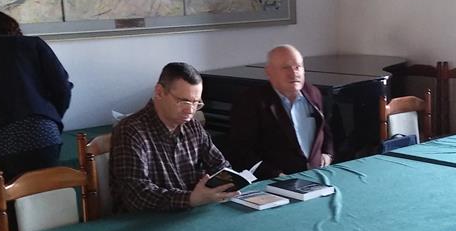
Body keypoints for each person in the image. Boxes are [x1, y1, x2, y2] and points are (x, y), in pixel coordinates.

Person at [0, 9, 73, 195]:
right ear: (11, 26)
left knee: (4, 207)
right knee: (42, 204)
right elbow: (62, 89)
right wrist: (48, 118)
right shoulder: (33, 46)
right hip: (39, 135)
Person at [110, 62, 236, 213]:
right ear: (159, 92)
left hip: (188, 214)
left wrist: (227, 182)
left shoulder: (192, 126)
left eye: (196, 103)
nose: (190, 110)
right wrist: (190, 199)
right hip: (145, 221)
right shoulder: (130, 131)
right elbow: (137, 195)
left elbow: (220, 166)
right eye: (184, 101)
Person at [229, 45, 333, 179]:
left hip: (316, 175)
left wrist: (327, 154)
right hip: (276, 181)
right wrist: (276, 175)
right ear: (269, 72)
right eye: (285, 68)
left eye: (298, 67)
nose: (293, 73)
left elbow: (325, 130)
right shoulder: (251, 101)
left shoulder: (313, 93)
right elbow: (241, 150)